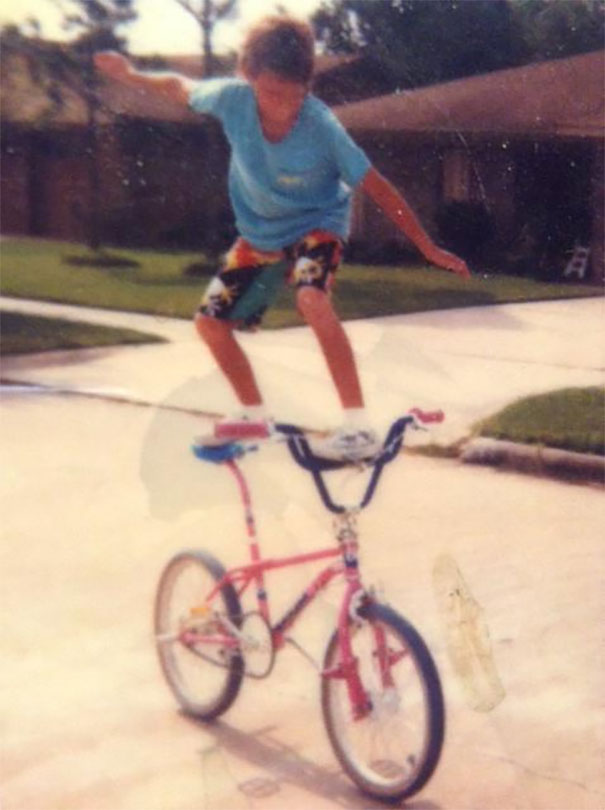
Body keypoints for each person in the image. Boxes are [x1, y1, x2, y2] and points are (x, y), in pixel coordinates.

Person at [94, 15, 470, 460]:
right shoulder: (230, 99)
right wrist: (130, 75)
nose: (282, 108)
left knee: (311, 298)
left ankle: (357, 427)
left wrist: (427, 246)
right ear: (247, 77)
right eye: (271, 93)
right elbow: (178, 87)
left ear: (306, 87)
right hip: (261, 236)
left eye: (293, 96)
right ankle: (253, 415)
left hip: (318, 225)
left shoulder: (321, 126)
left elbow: (377, 186)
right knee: (210, 324)